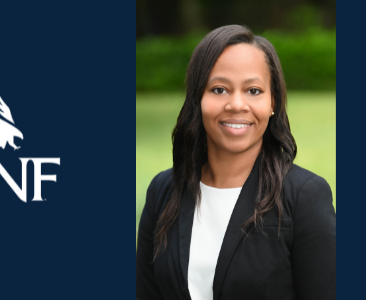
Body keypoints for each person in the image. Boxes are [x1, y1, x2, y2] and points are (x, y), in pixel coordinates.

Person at [136, 25, 336, 300]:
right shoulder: (162, 191)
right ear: (198, 98)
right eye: (219, 89)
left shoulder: (304, 196)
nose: (237, 104)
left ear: (272, 102)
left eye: (253, 90)